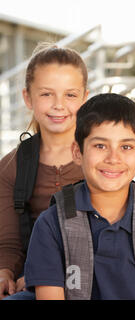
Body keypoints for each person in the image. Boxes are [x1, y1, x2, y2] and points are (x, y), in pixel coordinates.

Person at [23, 93, 135, 300]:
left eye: (126, 147)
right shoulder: (51, 224)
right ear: (77, 153)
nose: (113, 158)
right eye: (100, 146)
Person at [0, 43, 88, 299]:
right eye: (47, 94)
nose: (58, 105)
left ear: (85, 97)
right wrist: (5, 271)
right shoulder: (11, 166)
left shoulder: (102, 157)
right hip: (31, 284)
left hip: (95, 275)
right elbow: (9, 243)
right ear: (28, 97)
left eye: (70, 95)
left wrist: (47, 273)